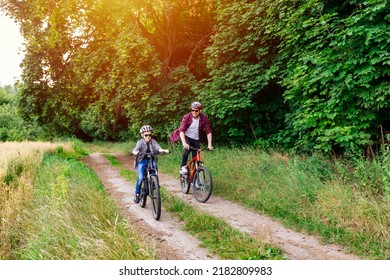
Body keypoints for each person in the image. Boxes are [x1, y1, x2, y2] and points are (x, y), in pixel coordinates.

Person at [132, 125, 169, 203]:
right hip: (142, 161)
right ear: (142, 135)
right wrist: (135, 152)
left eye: (149, 135)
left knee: (155, 167)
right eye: (146, 135)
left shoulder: (153, 141)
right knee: (141, 178)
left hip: (151, 160)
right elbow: (135, 149)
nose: (148, 137)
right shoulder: (140, 142)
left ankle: (154, 182)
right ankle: (137, 194)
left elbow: (158, 147)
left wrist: (163, 150)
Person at [179, 101, 213, 174]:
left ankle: (195, 179)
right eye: (192, 110)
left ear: (200, 111)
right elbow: (181, 131)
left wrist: (209, 144)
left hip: (196, 139)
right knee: (187, 150)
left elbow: (208, 131)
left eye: (196, 111)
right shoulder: (187, 117)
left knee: (196, 159)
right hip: (187, 137)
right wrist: (184, 143)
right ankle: (183, 166)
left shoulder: (204, 118)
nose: (194, 112)